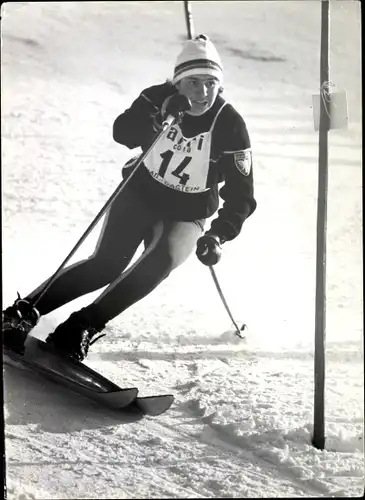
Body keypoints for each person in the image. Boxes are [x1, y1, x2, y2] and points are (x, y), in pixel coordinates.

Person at [2, 34, 257, 361]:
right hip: (141, 192)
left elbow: (242, 195)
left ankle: (81, 326)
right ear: (177, 82)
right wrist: (157, 116)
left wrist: (218, 235)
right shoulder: (159, 98)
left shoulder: (230, 124)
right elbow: (122, 132)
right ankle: (21, 314)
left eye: (210, 84)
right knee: (106, 264)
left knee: (162, 261)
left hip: (188, 212)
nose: (202, 92)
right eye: (192, 83)